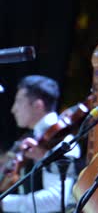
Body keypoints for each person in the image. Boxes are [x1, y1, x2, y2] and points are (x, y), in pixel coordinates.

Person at [1, 75, 81, 212]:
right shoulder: (32, 138)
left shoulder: (63, 143)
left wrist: (4, 204)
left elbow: (57, 199)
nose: (13, 109)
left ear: (38, 105)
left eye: (19, 101)